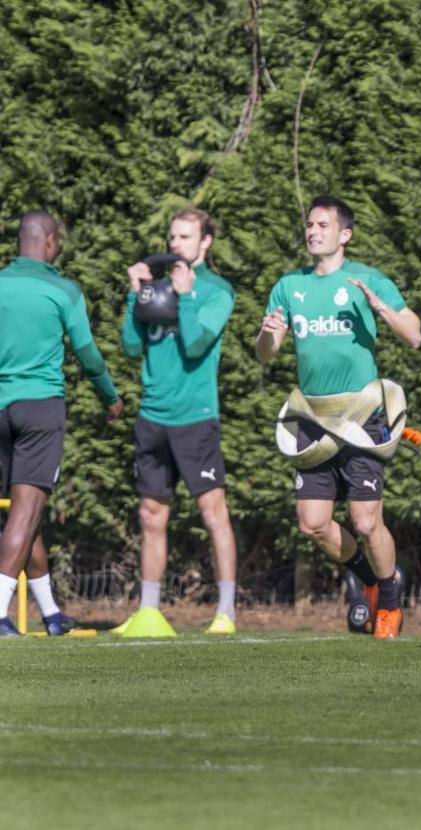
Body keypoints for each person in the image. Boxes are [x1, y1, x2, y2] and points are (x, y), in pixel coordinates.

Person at [255, 195, 421, 639]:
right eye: (310, 224)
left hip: (364, 413)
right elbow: (264, 355)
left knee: (367, 521)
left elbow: (415, 336)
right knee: (312, 523)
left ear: (344, 234)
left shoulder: (367, 280)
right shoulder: (289, 286)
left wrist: (383, 309)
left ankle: (388, 600)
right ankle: (368, 578)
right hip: (312, 416)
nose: (313, 231)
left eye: (323, 225)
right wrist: (269, 337)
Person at [113, 208, 239, 635]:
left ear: (205, 242)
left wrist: (185, 297)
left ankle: (225, 612)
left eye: (186, 237)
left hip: (195, 418)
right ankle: (148, 612)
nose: (176, 244)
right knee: (151, 513)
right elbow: (132, 348)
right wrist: (136, 294)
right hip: (153, 415)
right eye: (173, 236)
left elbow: (198, 344)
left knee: (212, 511)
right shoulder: (156, 288)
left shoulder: (217, 291)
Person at [0, 211, 123, 636]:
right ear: (49, 241)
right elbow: (88, 356)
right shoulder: (63, 289)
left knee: (24, 516)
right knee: (25, 512)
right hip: (39, 409)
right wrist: (111, 398)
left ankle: (51, 614)